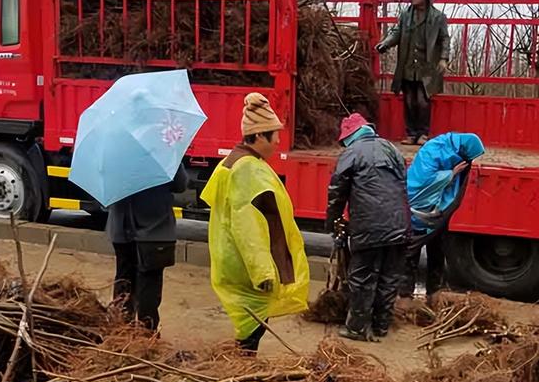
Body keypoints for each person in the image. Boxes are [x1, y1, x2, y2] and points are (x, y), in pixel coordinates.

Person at [200, 93, 309, 354]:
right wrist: (263, 273)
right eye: (275, 135)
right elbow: (246, 226)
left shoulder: (232, 162)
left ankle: (239, 367)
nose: (279, 142)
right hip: (246, 265)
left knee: (249, 324)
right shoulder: (248, 170)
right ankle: (239, 374)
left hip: (231, 257)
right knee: (252, 327)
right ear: (259, 136)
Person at [326, 113, 410, 341]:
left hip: (369, 226)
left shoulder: (351, 153)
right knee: (389, 276)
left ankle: (357, 328)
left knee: (362, 277)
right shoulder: (392, 150)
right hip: (400, 225)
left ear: (350, 136)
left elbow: (336, 193)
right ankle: (381, 325)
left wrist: (333, 224)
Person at [399, 132, 485, 301]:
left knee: (437, 252)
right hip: (417, 211)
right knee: (410, 253)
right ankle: (404, 296)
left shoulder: (457, 156)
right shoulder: (434, 150)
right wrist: (450, 174)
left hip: (438, 214)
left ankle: (434, 294)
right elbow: (423, 181)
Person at [107, 164, 188, 332]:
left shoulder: (115, 152)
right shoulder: (162, 152)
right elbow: (180, 185)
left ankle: (121, 332)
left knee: (124, 281)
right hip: (154, 231)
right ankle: (145, 335)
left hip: (121, 228)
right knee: (149, 286)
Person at [376, 0, 450, 146]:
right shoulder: (405, 15)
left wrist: (444, 58)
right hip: (408, 64)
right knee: (409, 100)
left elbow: (445, 39)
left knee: (423, 101)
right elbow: (396, 33)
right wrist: (385, 43)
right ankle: (411, 134)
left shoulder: (438, 17)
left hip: (427, 65)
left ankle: (423, 133)